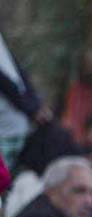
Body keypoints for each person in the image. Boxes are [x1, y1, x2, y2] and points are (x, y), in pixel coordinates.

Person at [0, 32, 52, 170]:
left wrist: (33, 105)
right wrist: (32, 107)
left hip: (13, 124)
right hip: (11, 123)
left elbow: (13, 75)